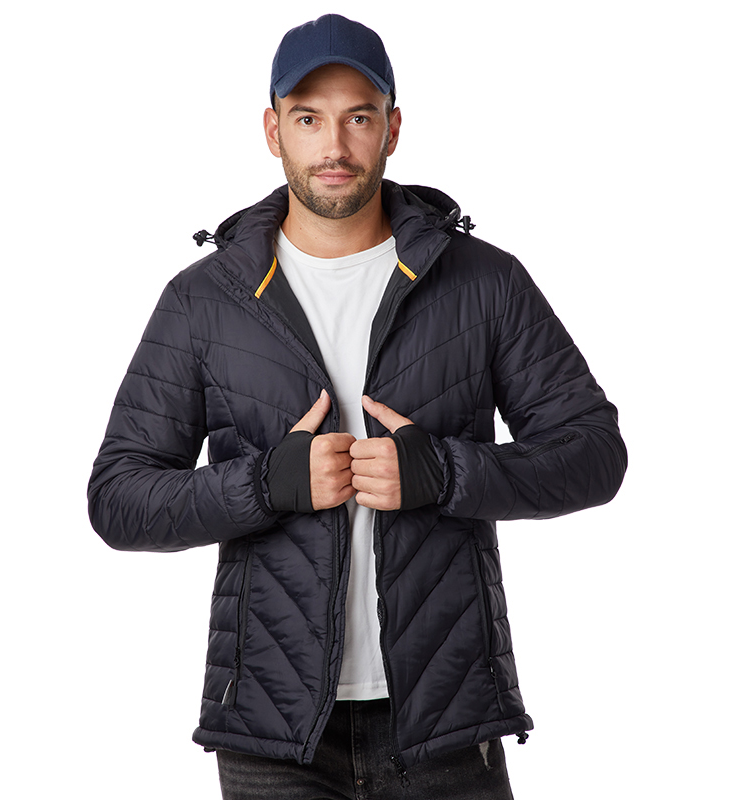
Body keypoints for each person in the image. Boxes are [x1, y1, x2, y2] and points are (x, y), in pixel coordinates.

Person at [88, 13, 627, 799]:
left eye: (359, 118)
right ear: (273, 130)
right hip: (274, 738)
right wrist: (264, 484)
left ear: (392, 129)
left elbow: (594, 452)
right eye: (309, 119)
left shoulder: (483, 282)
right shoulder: (203, 301)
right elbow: (119, 498)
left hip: (446, 723)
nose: (334, 146)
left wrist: (446, 473)